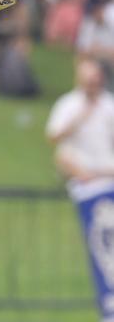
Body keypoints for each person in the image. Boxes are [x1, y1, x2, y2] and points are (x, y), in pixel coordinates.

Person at [46, 58, 114, 322]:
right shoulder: (68, 105)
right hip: (87, 188)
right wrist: (81, 116)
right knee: (103, 246)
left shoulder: (109, 105)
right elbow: (55, 138)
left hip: (109, 179)